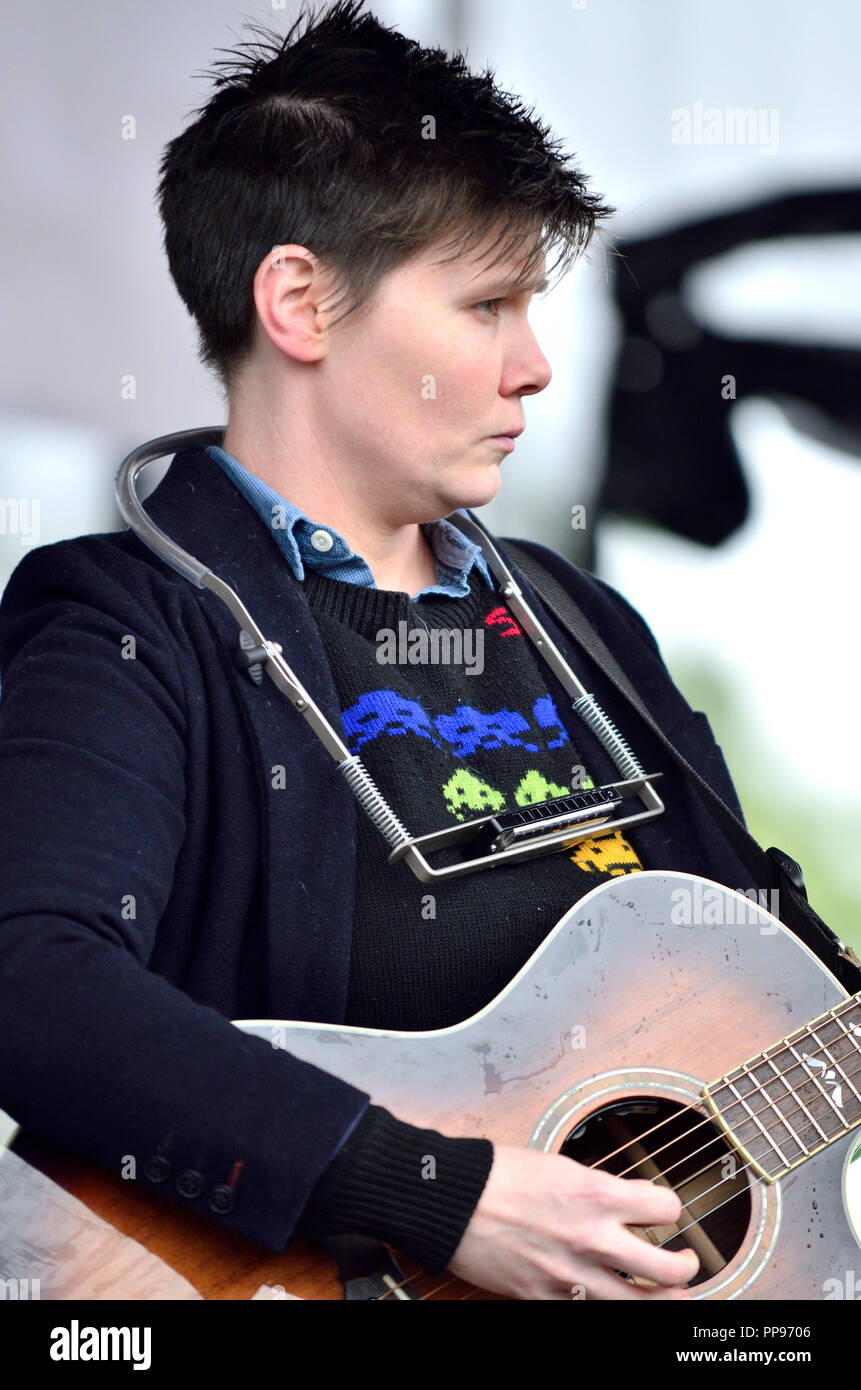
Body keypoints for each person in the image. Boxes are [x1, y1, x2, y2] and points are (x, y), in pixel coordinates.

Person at [0, 0, 848, 1302]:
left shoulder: (584, 624)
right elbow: (32, 983)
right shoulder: (121, 619)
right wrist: (428, 1195)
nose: (537, 366)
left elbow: (765, 981)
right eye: (488, 304)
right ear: (298, 301)